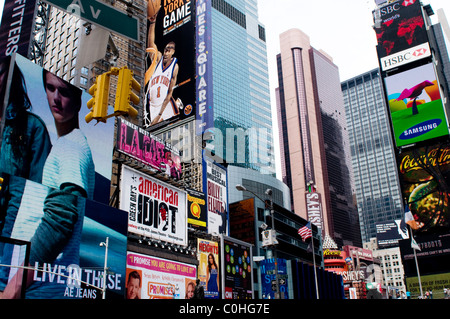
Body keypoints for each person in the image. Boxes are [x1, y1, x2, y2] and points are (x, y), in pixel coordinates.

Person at [0, 70, 95, 299]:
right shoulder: (68, 144)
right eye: (50, 88)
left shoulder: (71, 147)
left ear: (79, 100)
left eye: (63, 92)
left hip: (39, 289)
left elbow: (61, 218)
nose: (55, 98)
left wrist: (14, 287)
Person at [144, 3, 179, 127]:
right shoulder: (158, 59)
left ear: (174, 52)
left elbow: (169, 93)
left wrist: (160, 115)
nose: (166, 51)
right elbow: (151, 45)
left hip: (165, 105)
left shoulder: (174, 66)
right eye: (166, 48)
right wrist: (152, 23)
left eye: (170, 49)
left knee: (175, 135)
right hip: (152, 105)